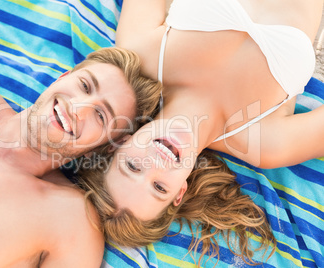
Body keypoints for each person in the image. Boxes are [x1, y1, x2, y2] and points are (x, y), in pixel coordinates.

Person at [79, 0, 324, 265]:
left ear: (122, 143)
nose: (155, 164)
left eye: (133, 166)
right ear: (179, 193)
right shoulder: (264, 143)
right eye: (159, 187)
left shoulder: (141, 53)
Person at [0, 47, 162, 267]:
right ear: (62, 77)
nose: (77, 108)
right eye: (85, 86)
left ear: (107, 146)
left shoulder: (71, 224)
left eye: (100, 115)